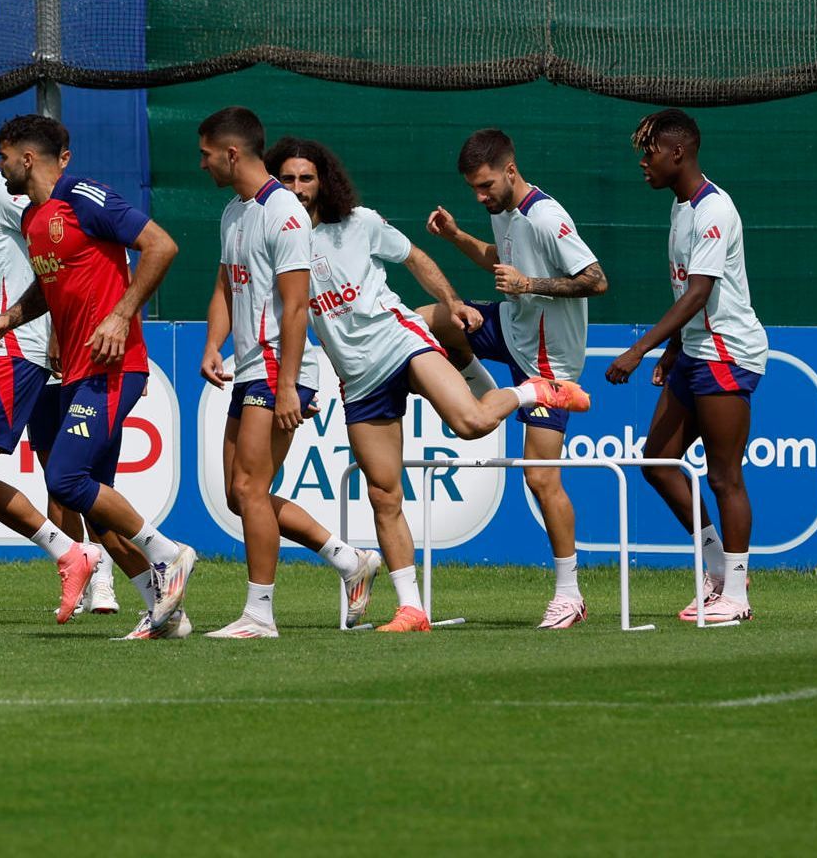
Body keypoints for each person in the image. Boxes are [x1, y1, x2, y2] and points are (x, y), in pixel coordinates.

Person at [267, 138, 590, 634]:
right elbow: (284, 319)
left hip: (413, 344)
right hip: (363, 376)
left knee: (478, 426)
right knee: (383, 494)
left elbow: (415, 257)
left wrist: (460, 300)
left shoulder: (359, 223)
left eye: (305, 178)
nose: (296, 188)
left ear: (322, 182)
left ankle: (533, 393)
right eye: (287, 179)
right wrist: (296, 384)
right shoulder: (273, 242)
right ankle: (412, 609)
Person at [0, 114, 197, 641]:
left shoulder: (83, 196)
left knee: (64, 479)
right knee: (96, 509)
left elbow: (161, 245)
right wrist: (9, 318)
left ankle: (169, 554)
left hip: (113, 367)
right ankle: (166, 614)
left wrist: (120, 316)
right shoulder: (34, 218)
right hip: (76, 371)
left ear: (26, 158)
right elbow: (49, 286)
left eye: (3, 156)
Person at [0, 105, 123, 628]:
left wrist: (55, 333)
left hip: (22, 350)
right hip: (6, 345)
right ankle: (71, 553)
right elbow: (2, 286)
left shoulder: (4, 193)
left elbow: (61, 258)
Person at [198, 108, 380, 639]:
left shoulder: (284, 213)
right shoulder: (234, 211)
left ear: (232, 153)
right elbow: (225, 286)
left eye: (207, 154)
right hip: (250, 368)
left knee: (251, 488)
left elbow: (297, 308)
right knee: (238, 495)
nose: (202, 164)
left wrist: (286, 389)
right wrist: (212, 345)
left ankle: (260, 615)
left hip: (278, 368)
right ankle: (348, 560)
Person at [422, 128, 608, 629]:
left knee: (540, 478)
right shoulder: (502, 208)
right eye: (473, 189)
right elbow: (499, 260)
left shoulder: (546, 217)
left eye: (485, 186)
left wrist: (530, 284)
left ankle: (569, 595)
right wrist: (456, 236)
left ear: (510, 170)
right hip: (511, 327)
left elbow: (596, 280)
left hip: (550, 364)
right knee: (426, 324)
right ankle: (491, 397)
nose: (480, 196)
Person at [605, 109, 766, 623]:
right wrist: (674, 347)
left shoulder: (714, 209)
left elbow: (699, 292)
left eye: (649, 152)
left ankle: (736, 596)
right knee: (657, 462)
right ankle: (718, 569)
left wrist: (639, 350)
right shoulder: (681, 207)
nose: (643, 162)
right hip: (695, 351)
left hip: (726, 353)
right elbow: (687, 292)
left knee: (724, 477)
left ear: (678, 153)